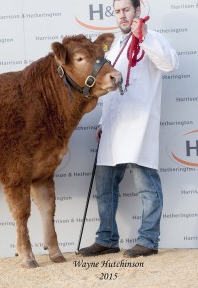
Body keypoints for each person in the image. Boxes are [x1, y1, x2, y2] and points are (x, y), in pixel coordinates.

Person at [78, 0, 179, 258]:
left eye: (126, 10)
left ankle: (148, 240)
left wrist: (144, 37)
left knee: (147, 185)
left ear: (137, 11)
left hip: (139, 125)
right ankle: (107, 238)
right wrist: (102, 122)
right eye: (117, 11)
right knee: (105, 186)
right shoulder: (113, 48)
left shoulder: (153, 39)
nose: (121, 16)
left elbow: (170, 64)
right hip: (113, 125)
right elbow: (108, 88)